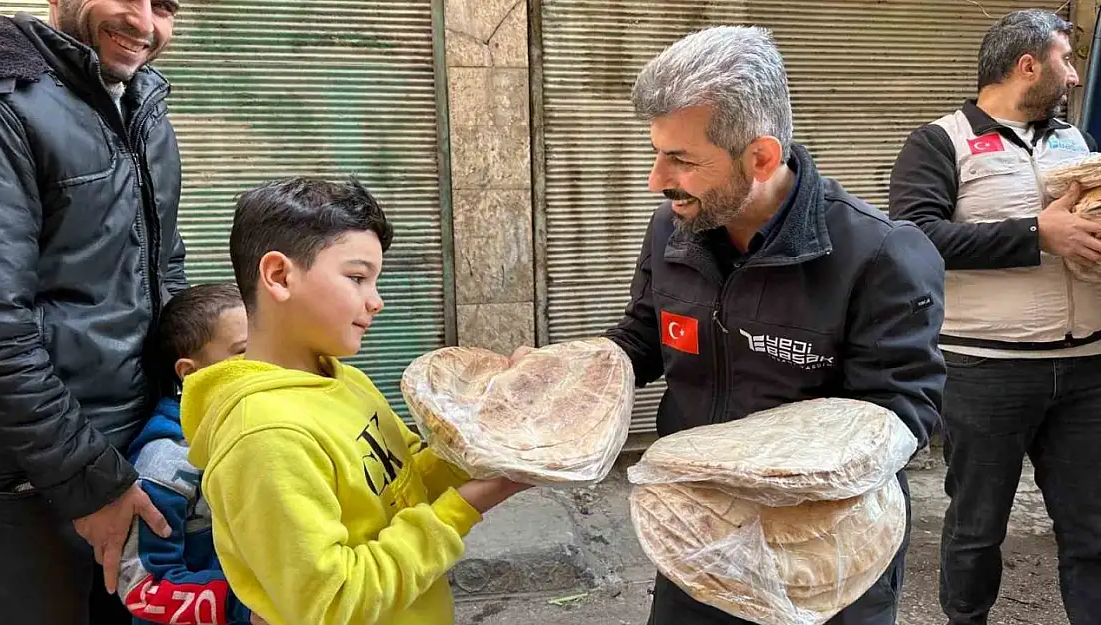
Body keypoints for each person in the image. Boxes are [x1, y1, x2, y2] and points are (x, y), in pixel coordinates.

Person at [515, 26, 946, 624]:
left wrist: (757, 476)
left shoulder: (882, 255)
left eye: (682, 160)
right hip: (694, 540)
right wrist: (566, 377)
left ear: (762, 156)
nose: (657, 180)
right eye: (656, 153)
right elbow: (643, 337)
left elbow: (902, 413)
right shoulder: (674, 227)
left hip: (822, 557)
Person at [178, 177, 530, 625]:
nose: (376, 301)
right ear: (279, 276)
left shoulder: (344, 380)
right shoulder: (265, 438)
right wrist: (466, 506)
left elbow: (407, 482)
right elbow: (333, 602)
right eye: (357, 277)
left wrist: (495, 421)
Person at [888, 9, 1101, 625]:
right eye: (1067, 61)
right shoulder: (940, 141)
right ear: (1027, 65)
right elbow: (916, 238)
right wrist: (1039, 234)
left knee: (1092, 530)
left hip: (1087, 370)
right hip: (986, 370)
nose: (1075, 78)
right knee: (977, 529)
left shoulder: (1078, 145)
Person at [0, 1, 186, 623]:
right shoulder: (4, 104)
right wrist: (88, 481)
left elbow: (165, 270)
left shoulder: (143, 103)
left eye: (165, 6)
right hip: (37, 482)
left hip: (135, 454)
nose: (145, 23)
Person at [117, 283, 264, 625]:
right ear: (190, 372)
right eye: (244, 351)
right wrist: (245, 607)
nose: (265, 364)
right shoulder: (166, 464)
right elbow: (143, 587)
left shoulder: (257, 427)